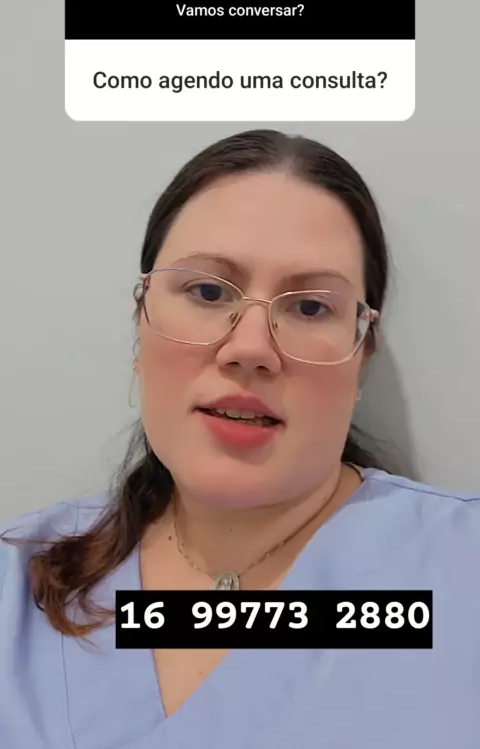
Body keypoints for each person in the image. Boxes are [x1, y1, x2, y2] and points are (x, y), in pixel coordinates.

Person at [0, 129, 479, 749]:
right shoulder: (17, 585)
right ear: (141, 323)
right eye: (206, 291)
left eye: (310, 307)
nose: (250, 348)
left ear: (361, 357)